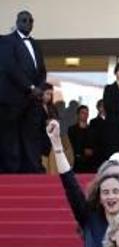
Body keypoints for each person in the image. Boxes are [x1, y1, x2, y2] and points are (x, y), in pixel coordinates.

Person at [0, 10, 46, 173]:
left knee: (31, 137)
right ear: (17, 22)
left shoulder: (35, 44)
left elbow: (41, 70)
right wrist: (31, 87)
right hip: (13, 100)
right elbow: (11, 68)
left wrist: (40, 87)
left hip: (32, 101)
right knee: (11, 138)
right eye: (24, 20)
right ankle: (12, 171)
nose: (28, 23)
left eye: (31, 21)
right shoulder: (6, 41)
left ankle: (33, 170)